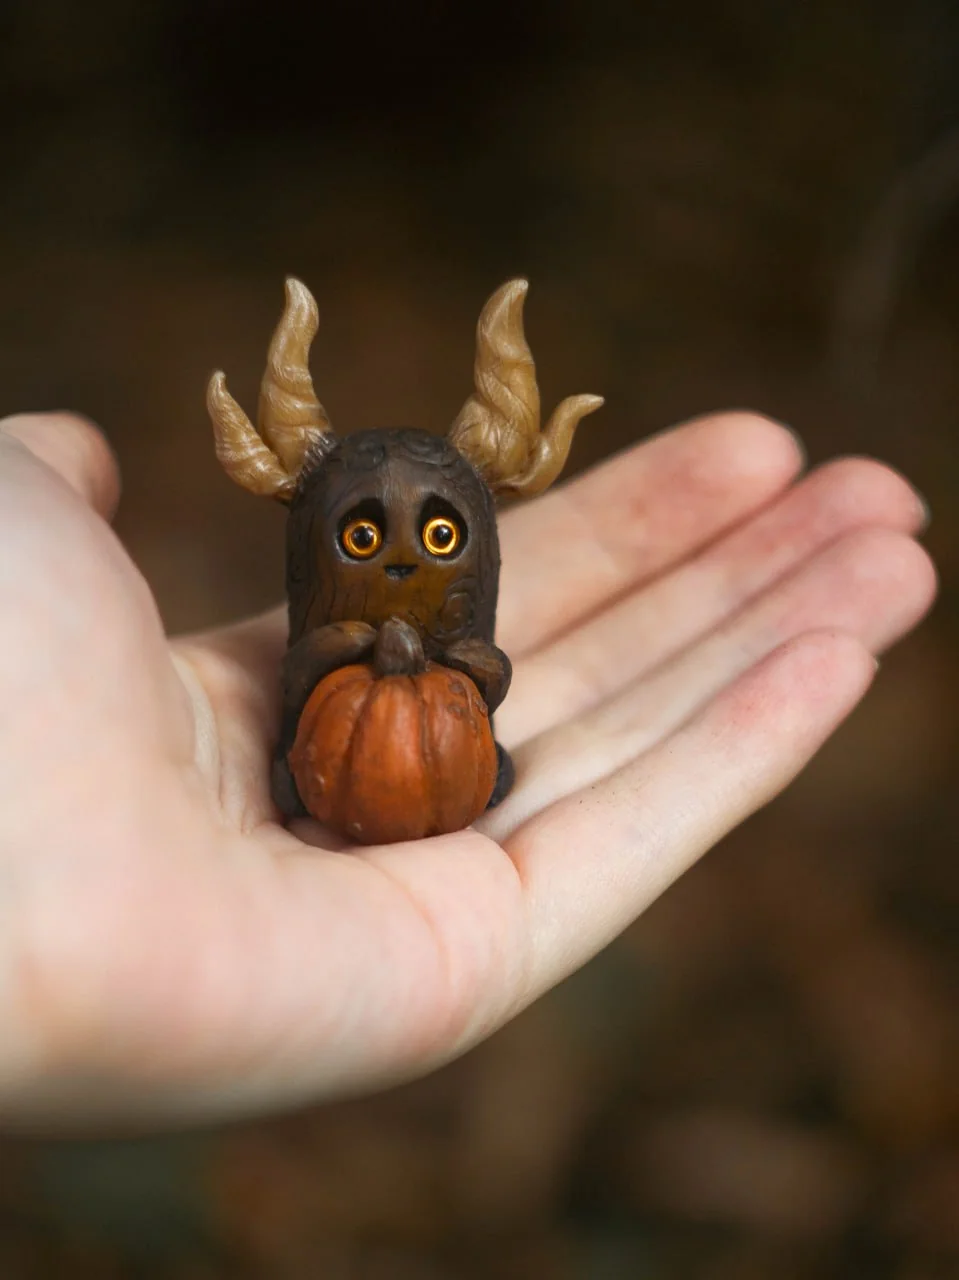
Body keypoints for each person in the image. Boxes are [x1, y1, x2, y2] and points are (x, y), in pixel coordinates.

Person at [0, 409, 935, 1129]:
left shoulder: (465, 633)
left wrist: (434, 665)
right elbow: (305, 669)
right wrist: (363, 653)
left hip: (443, 735)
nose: (404, 559)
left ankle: (469, 774)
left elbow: (484, 672)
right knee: (328, 741)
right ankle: (329, 773)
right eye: (363, 538)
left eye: (440, 538)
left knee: (458, 740)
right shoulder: (322, 631)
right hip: (332, 751)